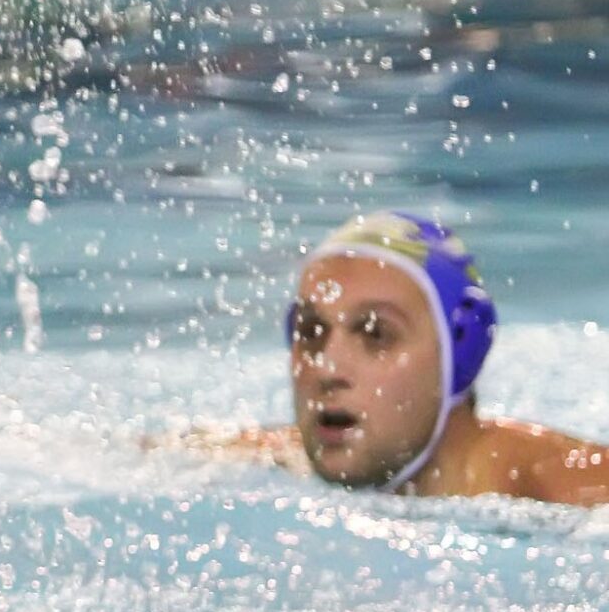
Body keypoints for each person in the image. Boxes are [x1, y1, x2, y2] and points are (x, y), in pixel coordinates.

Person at [236, 211, 609, 505]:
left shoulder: (572, 489)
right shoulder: (271, 460)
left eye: (376, 334)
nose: (326, 368)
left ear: (462, 351)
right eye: (311, 331)